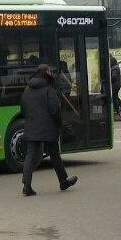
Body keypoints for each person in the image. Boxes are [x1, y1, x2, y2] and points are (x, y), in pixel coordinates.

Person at [19, 65, 78, 197]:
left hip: (31, 128)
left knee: (30, 156)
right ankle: (63, 181)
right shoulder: (49, 90)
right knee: (55, 155)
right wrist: (59, 125)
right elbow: (55, 111)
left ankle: (26, 185)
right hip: (48, 128)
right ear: (47, 73)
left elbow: (23, 109)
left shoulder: (27, 90)